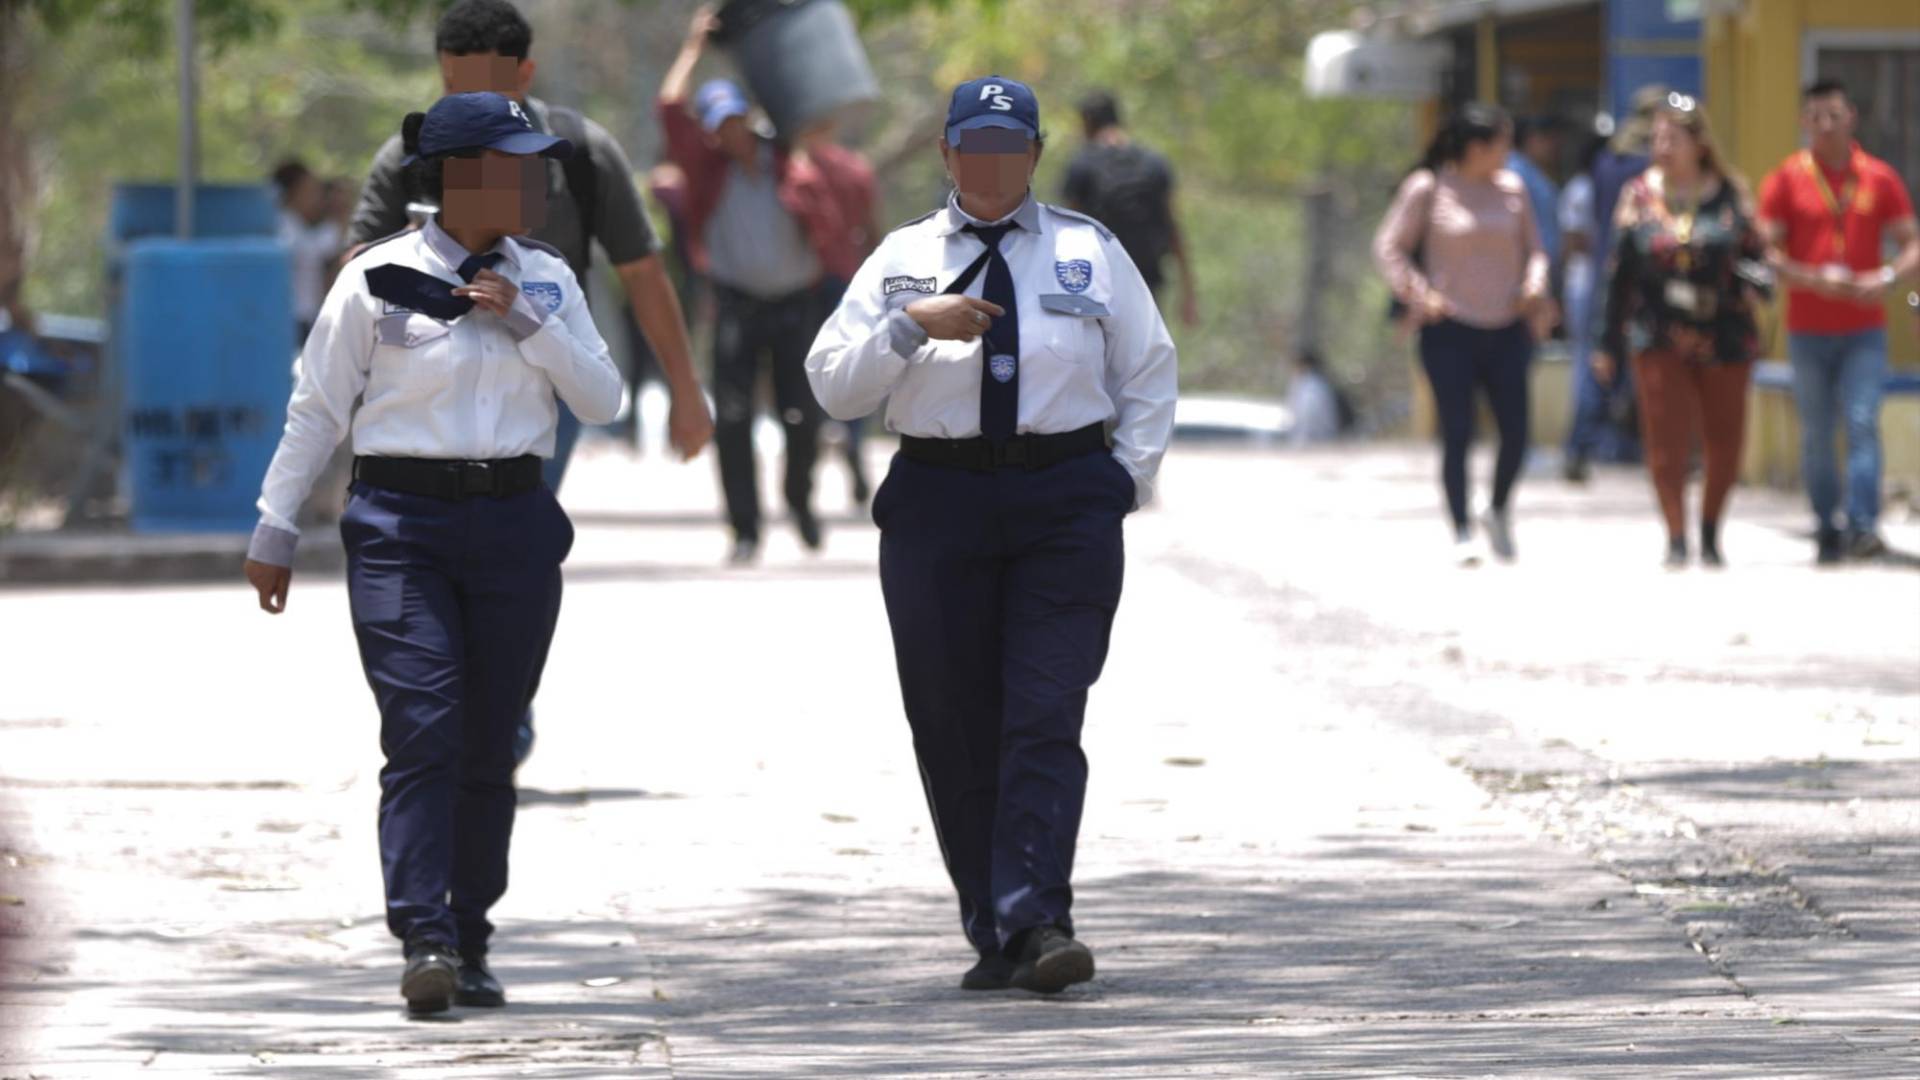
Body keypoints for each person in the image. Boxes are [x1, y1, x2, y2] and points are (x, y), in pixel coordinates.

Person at [242, 92, 621, 1015]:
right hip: (400, 527)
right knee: (423, 726)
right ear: (462, 176)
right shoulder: (374, 279)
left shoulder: (548, 280)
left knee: (490, 741)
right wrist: (274, 524)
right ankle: (424, 936)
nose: (538, 180)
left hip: (515, 526)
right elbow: (317, 409)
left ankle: (472, 932)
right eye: (518, 163)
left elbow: (604, 399)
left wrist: (531, 325)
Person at [807, 76, 1176, 994]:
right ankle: (996, 921)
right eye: (975, 147)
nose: (992, 165)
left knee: (1045, 712)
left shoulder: (1089, 250)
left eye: (1011, 149)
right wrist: (905, 328)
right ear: (946, 155)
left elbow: (1149, 370)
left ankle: (1040, 919)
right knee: (954, 720)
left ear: (1037, 156)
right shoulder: (901, 258)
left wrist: (1119, 484)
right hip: (941, 502)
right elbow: (832, 385)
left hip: (1064, 503)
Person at [344, 0, 711, 495]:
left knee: (518, 520)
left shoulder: (583, 153)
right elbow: (357, 265)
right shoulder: (410, 156)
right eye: (452, 85)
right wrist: (414, 248)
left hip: (546, 379)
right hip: (431, 380)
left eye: (483, 85)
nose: (464, 101)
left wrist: (685, 389)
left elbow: (642, 272)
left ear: (525, 74)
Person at [659, 7, 849, 563]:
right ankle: (744, 528)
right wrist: (694, 48)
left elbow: (818, 110)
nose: (729, 131)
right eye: (718, 124)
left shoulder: (790, 157)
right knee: (735, 419)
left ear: (750, 118)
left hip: (797, 303)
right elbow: (670, 107)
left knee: (802, 413)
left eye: (735, 119)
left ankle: (800, 501)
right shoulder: (707, 169)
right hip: (738, 305)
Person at [1374, 103, 1552, 566]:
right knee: (1458, 431)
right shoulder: (1429, 187)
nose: (1509, 153)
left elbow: (1536, 250)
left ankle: (1497, 508)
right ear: (1476, 147)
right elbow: (1389, 247)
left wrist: (1534, 283)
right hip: (1449, 328)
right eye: (1501, 143)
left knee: (1516, 431)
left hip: (1508, 326)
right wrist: (1419, 293)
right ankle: (1460, 528)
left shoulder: (1513, 189)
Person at [1597, 95, 1769, 568]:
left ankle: (1711, 530)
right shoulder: (1638, 195)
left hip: (1725, 330)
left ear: (1699, 143)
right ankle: (1676, 535)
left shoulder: (1731, 194)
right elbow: (1618, 273)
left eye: (1672, 138)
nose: (1662, 147)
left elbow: (1756, 254)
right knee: (1665, 438)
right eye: (1656, 138)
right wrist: (1605, 340)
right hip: (1658, 331)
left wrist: (1758, 281)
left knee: (1724, 438)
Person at [1758, 79, 1920, 564]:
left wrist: (1887, 277)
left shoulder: (1879, 178)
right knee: (1817, 430)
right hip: (1807, 328)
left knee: (1862, 421)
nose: (1825, 126)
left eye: (1834, 115)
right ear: (1803, 122)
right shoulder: (1786, 179)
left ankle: (1864, 525)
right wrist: (1810, 277)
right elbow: (1765, 252)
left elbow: (1912, 243)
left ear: (1851, 117)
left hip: (1864, 328)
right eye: (1815, 117)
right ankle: (1827, 522)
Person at [1566, 86, 1666, 481]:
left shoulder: (1607, 159)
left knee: (1600, 363)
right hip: (1645, 273)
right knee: (1647, 361)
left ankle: (1580, 446)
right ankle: (1644, 448)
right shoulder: (1652, 165)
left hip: (1604, 272)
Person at [1062, 90, 1198, 328]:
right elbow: (1173, 227)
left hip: (1098, 285)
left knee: (1100, 360)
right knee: (1144, 359)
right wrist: (1188, 292)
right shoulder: (1153, 162)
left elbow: (1067, 231)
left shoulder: (1082, 165)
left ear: (1087, 122)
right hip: (1146, 284)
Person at [801, 120, 883, 507]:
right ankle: (851, 437)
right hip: (850, 281)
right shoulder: (857, 169)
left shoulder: (798, 170)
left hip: (806, 284)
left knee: (807, 371)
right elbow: (873, 230)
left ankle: (810, 455)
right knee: (852, 365)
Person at [273, 160, 341, 345]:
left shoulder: (298, 226)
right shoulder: (282, 227)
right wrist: (339, 218)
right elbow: (317, 250)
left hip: (306, 316)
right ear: (292, 193)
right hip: (293, 317)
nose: (318, 198)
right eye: (310, 191)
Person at [1509, 116, 1563, 270]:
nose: (1554, 146)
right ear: (1532, 139)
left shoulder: (1533, 170)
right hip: (1527, 267)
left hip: (1541, 264)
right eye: (1548, 140)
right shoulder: (1515, 171)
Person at [1287, 350, 1347, 445]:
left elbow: (1307, 418)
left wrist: (1299, 442)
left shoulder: (1312, 387)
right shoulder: (1317, 384)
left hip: (1315, 443)